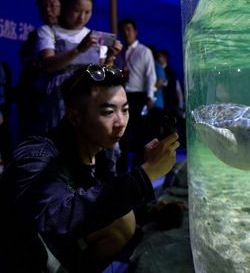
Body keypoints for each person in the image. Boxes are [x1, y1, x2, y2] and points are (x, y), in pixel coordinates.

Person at [0, 64, 180, 272]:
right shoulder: (38, 155)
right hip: (23, 257)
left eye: (125, 110)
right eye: (109, 112)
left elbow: (105, 198)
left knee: (124, 217)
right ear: (75, 117)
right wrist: (144, 175)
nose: (121, 122)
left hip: (59, 248)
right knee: (123, 222)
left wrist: (154, 210)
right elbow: (55, 218)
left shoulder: (104, 150)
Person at [36, 0, 122, 131]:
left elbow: (102, 70)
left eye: (87, 12)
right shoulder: (48, 31)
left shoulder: (96, 36)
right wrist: (78, 50)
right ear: (65, 7)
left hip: (91, 95)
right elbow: (48, 64)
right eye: (76, 11)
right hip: (61, 94)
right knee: (63, 136)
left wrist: (111, 57)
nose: (82, 17)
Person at [16, 0, 62, 139]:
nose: (48, 10)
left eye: (53, 6)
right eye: (44, 6)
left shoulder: (68, 35)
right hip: (34, 95)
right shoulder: (35, 35)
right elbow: (27, 61)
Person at [116, 19, 157, 172]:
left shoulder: (144, 51)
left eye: (129, 29)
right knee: (122, 135)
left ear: (135, 32)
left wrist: (150, 97)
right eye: (123, 30)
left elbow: (150, 76)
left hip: (139, 97)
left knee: (139, 136)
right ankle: (121, 172)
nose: (126, 33)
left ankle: (137, 172)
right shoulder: (120, 53)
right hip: (122, 96)